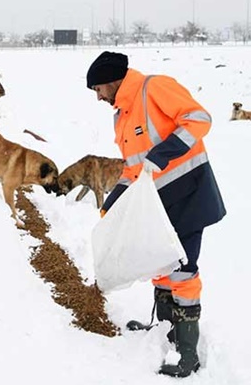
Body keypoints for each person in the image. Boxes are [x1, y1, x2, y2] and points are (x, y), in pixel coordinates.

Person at [86, 51, 226, 378]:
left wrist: (163, 153)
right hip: (159, 204)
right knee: (161, 267)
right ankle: (165, 330)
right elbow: (133, 168)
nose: (98, 96)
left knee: (183, 271)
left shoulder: (155, 88)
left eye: (98, 89)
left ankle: (187, 351)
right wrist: (113, 201)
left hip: (190, 194)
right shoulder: (121, 116)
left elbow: (199, 119)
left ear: (112, 80)